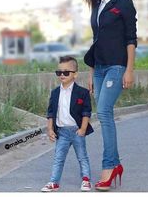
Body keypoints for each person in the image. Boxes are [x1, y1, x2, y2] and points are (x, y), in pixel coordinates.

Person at [83, 0, 137, 191]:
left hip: (117, 66)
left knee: (104, 111)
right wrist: (91, 72)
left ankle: (108, 166)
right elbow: (96, 41)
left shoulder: (124, 4)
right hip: (100, 67)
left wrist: (129, 69)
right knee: (104, 113)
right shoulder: (97, 7)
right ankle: (115, 165)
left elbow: (130, 38)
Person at [41, 56, 94, 192]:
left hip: (77, 130)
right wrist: (50, 129)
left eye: (66, 72)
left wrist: (83, 129)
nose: (62, 75)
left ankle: (86, 179)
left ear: (75, 74)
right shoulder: (55, 93)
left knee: (82, 156)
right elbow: (51, 112)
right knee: (58, 158)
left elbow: (86, 112)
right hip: (62, 132)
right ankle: (54, 182)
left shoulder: (82, 92)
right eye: (59, 72)